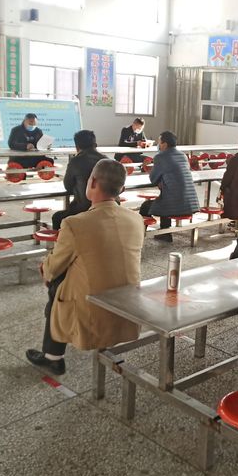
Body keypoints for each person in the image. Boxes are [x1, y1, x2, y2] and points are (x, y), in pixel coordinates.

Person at [26, 159, 145, 375]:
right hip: (129, 303)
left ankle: (53, 357)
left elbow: (54, 267)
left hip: (93, 308)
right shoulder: (136, 219)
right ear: (122, 189)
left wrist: (46, 269)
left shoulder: (75, 224)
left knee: (56, 280)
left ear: (93, 183)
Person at [139, 131, 200, 242]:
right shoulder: (183, 156)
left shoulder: (160, 157)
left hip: (175, 205)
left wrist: (148, 169)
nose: (158, 145)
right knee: (165, 197)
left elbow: (153, 179)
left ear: (165, 144)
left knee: (145, 206)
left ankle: (140, 235)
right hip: (191, 204)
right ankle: (165, 233)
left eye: (159, 142)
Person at [52, 130, 106, 230]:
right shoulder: (107, 161)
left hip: (84, 210)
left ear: (77, 147)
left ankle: (64, 240)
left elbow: (68, 186)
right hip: (108, 209)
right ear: (95, 145)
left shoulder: (76, 161)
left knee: (57, 217)